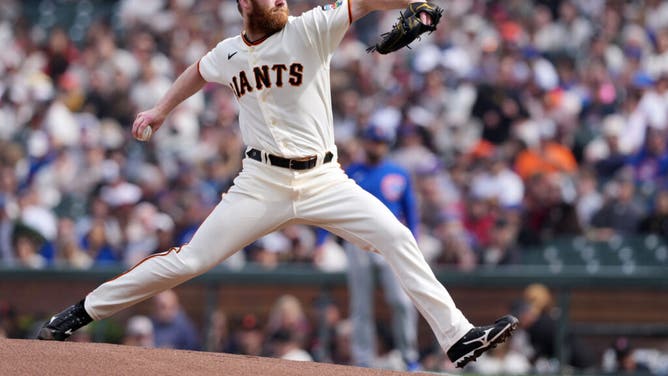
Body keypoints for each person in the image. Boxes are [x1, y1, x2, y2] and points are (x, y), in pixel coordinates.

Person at [36, 0, 517, 368]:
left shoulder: (309, 28)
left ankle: (457, 337)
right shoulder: (228, 52)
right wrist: (161, 109)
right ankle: (79, 313)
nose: (282, 1)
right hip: (260, 182)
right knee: (190, 260)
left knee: (396, 236)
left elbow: (364, 2)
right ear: (244, 5)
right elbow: (198, 72)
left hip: (325, 178)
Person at [316, 124, 420, 370]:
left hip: (390, 243)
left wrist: (413, 241)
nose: (377, 146)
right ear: (365, 143)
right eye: (373, 141)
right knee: (361, 305)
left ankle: (409, 356)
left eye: (381, 142)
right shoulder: (352, 172)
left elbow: (410, 211)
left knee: (401, 301)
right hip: (358, 242)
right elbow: (330, 207)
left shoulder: (398, 173)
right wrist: (322, 241)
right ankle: (363, 360)